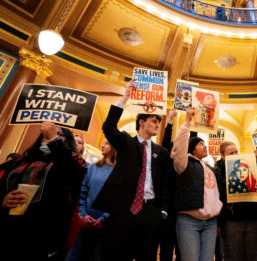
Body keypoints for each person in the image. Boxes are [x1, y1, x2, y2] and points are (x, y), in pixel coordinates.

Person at [92, 79, 172, 261]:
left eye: (158, 122)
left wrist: (163, 211)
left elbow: (166, 182)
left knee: (147, 257)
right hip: (124, 210)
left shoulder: (162, 152)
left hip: (151, 212)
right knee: (116, 255)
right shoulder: (127, 142)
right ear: (141, 122)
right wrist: (125, 96)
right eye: (154, 121)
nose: (157, 125)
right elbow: (108, 128)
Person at [0, 121, 87, 260]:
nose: (48, 135)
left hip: (45, 237)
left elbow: (74, 169)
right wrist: (3, 199)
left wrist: (54, 139)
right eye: (45, 133)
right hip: (10, 232)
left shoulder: (76, 163)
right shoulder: (20, 161)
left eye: (59, 134)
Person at [173, 107, 222, 261]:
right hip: (189, 221)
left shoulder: (208, 168)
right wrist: (187, 121)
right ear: (192, 149)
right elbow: (179, 145)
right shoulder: (184, 164)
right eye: (201, 144)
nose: (205, 146)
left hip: (211, 222)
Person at [66, 139, 117, 261]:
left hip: (105, 226)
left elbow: (117, 199)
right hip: (86, 222)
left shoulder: (119, 171)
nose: (102, 145)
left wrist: (104, 219)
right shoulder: (93, 167)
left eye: (107, 143)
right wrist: (83, 214)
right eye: (103, 143)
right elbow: (83, 191)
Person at [214, 141, 257, 261]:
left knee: (254, 254)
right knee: (234, 254)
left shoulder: (249, 165)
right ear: (223, 155)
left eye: (236, 151)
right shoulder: (217, 171)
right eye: (231, 153)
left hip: (252, 217)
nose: (235, 154)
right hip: (231, 220)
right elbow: (217, 197)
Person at [159, 109, 181, 261]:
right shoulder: (165, 162)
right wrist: (170, 122)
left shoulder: (185, 166)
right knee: (166, 250)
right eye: (173, 150)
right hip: (167, 213)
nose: (175, 152)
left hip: (182, 213)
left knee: (181, 251)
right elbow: (165, 142)